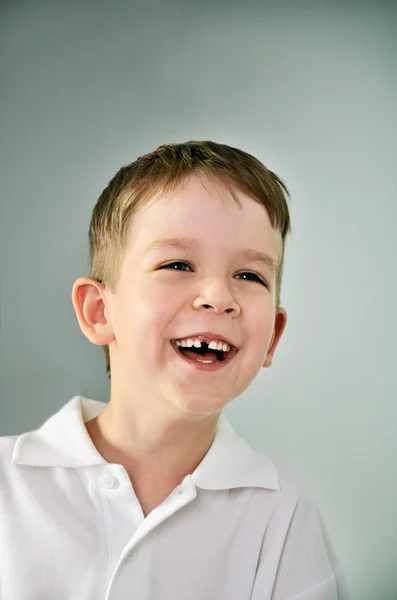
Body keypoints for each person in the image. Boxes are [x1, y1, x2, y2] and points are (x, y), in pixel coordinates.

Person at [0, 141, 350, 599]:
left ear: (273, 337)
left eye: (249, 276)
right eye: (178, 264)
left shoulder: (281, 513)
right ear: (99, 312)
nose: (218, 297)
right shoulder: (9, 487)